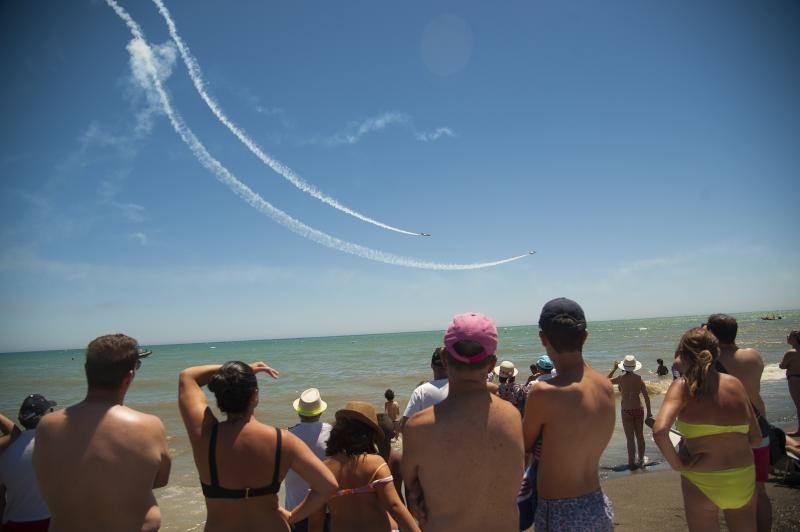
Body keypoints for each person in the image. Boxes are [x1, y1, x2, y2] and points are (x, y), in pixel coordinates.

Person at [33, 334, 171, 532]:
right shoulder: (149, 425)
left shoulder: (47, 425)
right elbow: (160, 479)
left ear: (87, 371)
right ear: (130, 375)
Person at [179, 361, 337, 531]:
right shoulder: (283, 440)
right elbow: (327, 486)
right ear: (255, 396)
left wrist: (242, 370)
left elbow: (187, 377)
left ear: (219, 396)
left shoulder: (205, 435)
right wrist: (293, 516)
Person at [401, 312, 523, 531]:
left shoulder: (418, 428)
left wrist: (417, 495)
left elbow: (411, 487)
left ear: (445, 359)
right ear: (491, 364)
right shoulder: (513, 418)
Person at [653, 327, 761, 531]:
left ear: (682, 355)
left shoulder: (682, 386)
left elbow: (660, 432)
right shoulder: (735, 384)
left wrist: (678, 465)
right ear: (717, 352)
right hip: (742, 476)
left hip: (703, 479)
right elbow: (756, 439)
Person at [522, 298, 615, 531]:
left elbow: (523, 443)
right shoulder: (604, 385)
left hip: (560, 511)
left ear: (543, 338)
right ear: (584, 336)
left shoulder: (544, 392)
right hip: (597, 504)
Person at [706, 313, 772, 531]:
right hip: (760, 427)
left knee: (727, 490)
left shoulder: (710, 363)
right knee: (760, 491)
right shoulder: (753, 356)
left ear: (711, 333)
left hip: (729, 432)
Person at [311, 402, 419, 532]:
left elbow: (316, 522)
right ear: (368, 435)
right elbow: (394, 506)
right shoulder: (375, 464)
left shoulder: (322, 470)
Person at [0, 396, 56, 532]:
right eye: (51, 410)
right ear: (44, 417)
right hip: (48, 522)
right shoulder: (57, 444)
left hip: (12, 523)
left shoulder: (5, 450)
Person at [286, 388, 333, 532]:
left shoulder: (287, 436)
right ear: (320, 412)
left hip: (295, 511)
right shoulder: (332, 433)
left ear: (299, 412)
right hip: (326, 508)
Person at [608, 355, 653, 469]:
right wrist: (649, 413)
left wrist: (614, 369)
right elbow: (646, 397)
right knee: (640, 436)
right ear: (634, 367)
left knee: (630, 439)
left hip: (626, 411)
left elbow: (604, 381)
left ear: (623, 367)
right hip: (638, 409)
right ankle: (641, 460)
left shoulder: (620, 378)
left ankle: (631, 462)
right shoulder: (639, 379)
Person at [399, 348, 448, 432]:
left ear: (431, 365)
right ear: (450, 365)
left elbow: (405, 426)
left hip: (429, 442)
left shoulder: (421, 391)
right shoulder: (463, 387)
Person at [376, 414, 404, 502]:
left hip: (381, 510)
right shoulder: (399, 459)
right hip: (399, 506)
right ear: (393, 434)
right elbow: (409, 492)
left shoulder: (370, 461)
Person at [779, 330, 800, 436]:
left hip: (795, 379)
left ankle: (799, 431)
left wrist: (781, 363)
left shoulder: (791, 352)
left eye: (790, 336)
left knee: (798, 405)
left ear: (795, 339)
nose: (787, 337)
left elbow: (782, 366)